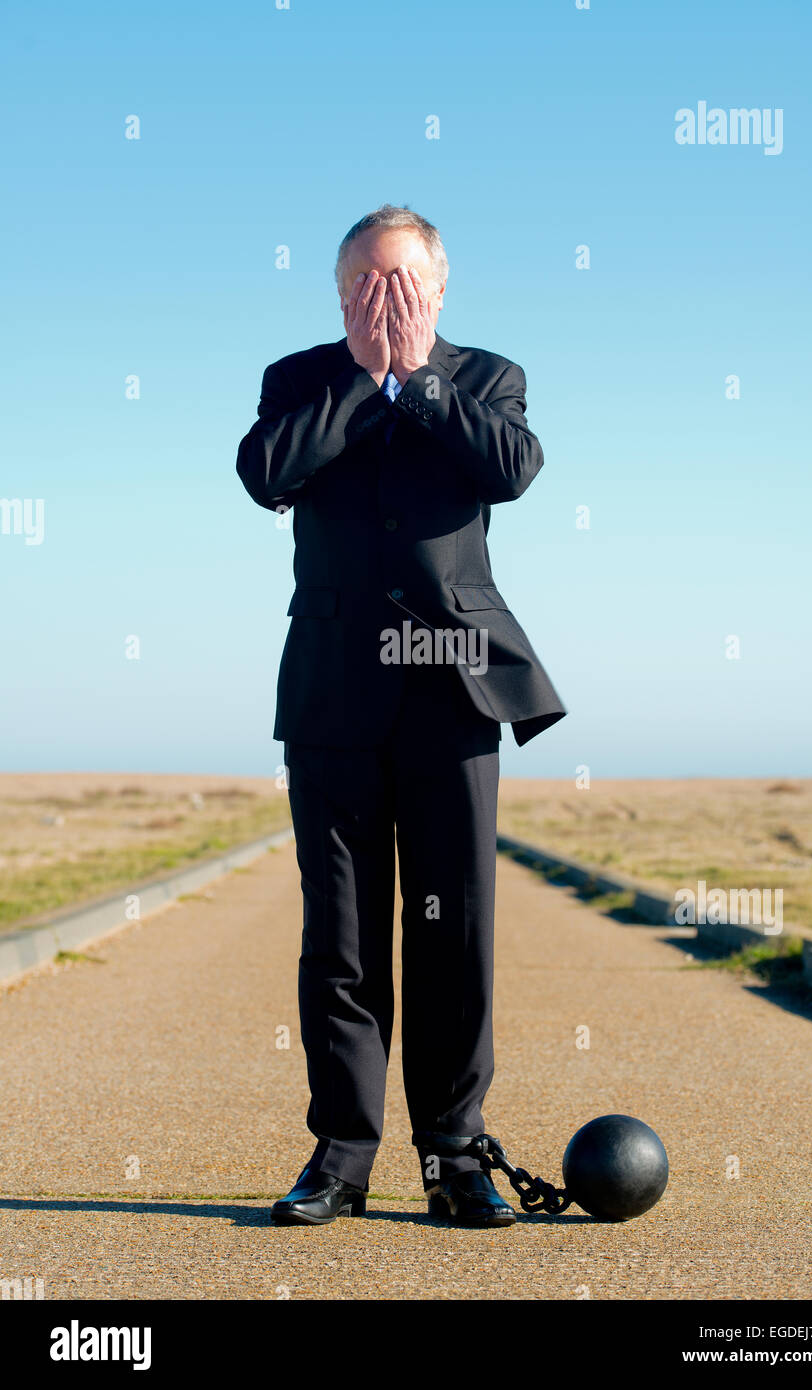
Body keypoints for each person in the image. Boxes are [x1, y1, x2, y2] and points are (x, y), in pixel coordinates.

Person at [235, 204, 566, 1228]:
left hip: (452, 684)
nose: (384, 302)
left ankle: (455, 1156)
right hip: (334, 688)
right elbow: (264, 474)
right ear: (338, 294)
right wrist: (362, 378)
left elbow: (512, 469)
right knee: (340, 937)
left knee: (454, 928)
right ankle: (339, 1158)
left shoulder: (485, 379)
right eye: (365, 287)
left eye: (403, 285)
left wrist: (417, 379)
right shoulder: (298, 379)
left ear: (440, 287)